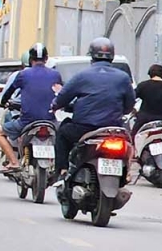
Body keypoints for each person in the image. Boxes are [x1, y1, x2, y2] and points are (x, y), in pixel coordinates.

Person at [52, 37, 135, 183]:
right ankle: (126, 173)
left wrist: (55, 105)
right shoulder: (123, 78)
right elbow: (129, 105)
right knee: (129, 142)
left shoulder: (82, 75)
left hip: (85, 129)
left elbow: (63, 97)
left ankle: (63, 171)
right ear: (112, 56)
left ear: (92, 56)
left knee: (63, 133)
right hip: (113, 130)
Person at [0, 44, 62, 172]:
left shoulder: (23, 74)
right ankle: (62, 168)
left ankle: (14, 162)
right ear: (46, 59)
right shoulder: (55, 75)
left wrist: (3, 102)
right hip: (51, 121)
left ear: (30, 59)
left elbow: (9, 92)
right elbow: (61, 93)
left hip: (26, 122)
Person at [133, 63, 162, 134]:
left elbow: (130, 99)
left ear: (150, 74)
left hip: (143, 120)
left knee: (133, 136)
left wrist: (134, 111)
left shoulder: (143, 85)